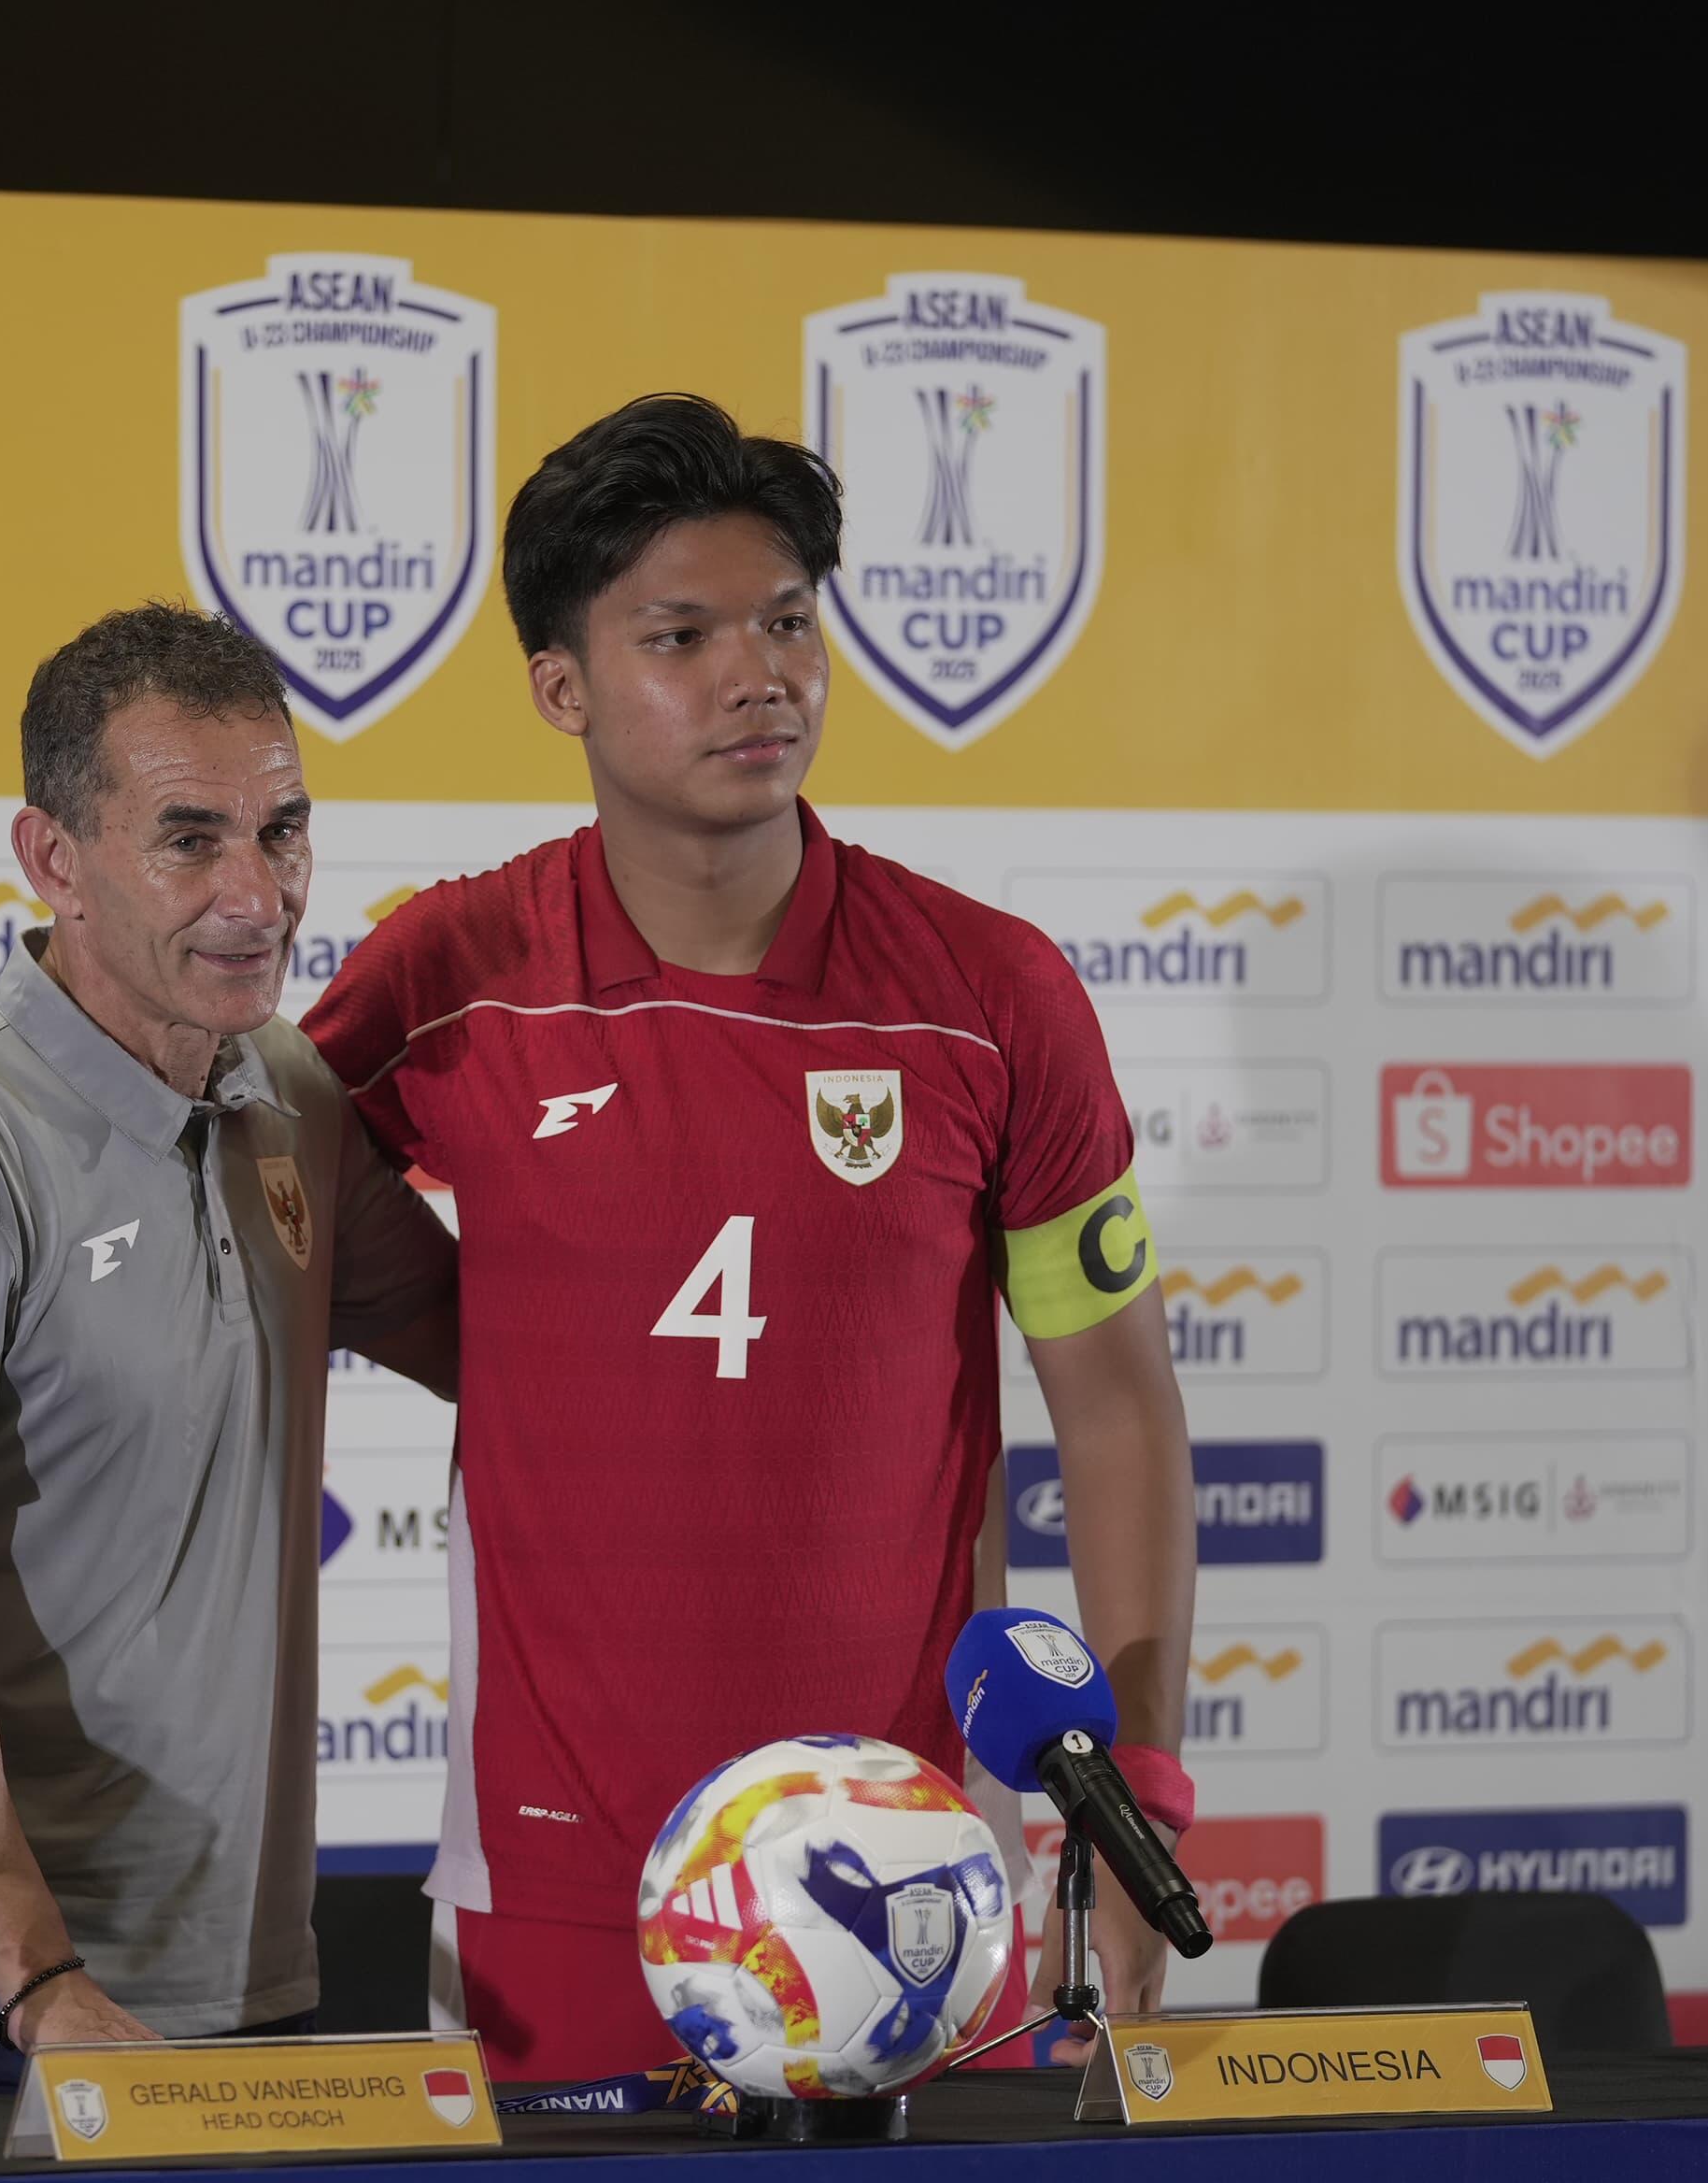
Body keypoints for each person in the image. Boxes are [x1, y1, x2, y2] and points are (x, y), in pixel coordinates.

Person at [302, 395, 1197, 2079]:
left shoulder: (992, 996)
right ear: (562, 687)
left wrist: (1134, 1796)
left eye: (788, 622)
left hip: (914, 1873)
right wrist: (488, 1348)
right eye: (683, 635)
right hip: (559, 1875)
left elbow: (1122, 1406)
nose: (756, 673)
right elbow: (257, 1196)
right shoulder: (448, 971)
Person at [0, 603, 459, 2092]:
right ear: (52, 859)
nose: (257, 895)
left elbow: (495, 1345)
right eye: (190, 839)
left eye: (283, 833)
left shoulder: (286, 1092)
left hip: (247, 1978)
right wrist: (35, 1975)